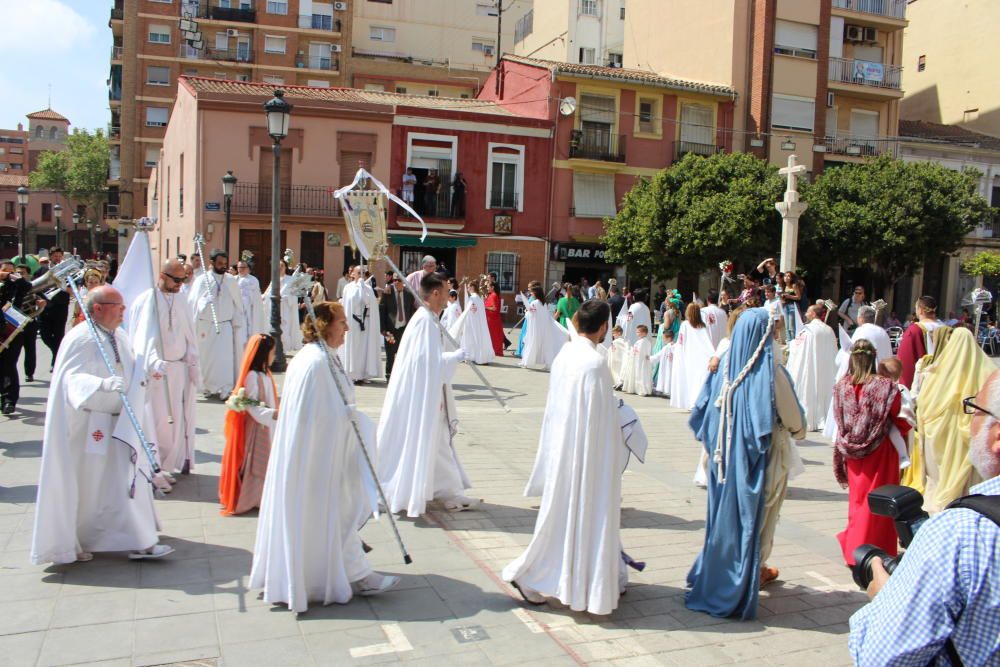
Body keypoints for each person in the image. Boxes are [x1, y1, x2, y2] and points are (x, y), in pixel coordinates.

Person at [250, 302, 399, 611]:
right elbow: (313, 416)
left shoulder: (327, 357)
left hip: (332, 455)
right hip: (318, 460)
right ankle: (357, 576)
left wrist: (352, 419)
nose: (346, 327)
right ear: (323, 324)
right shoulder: (315, 362)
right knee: (337, 516)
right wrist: (347, 418)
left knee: (340, 516)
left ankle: (353, 573)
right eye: (341, 322)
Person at [847, 369, 1000, 666]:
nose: (969, 423)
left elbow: (882, 659)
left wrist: (884, 600)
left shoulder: (963, 533)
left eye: (975, 411)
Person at [503, 300, 632, 614]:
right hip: (587, 456)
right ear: (603, 327)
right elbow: (601, 420)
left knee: (562, 515)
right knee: (584, 514)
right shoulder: (595, 362)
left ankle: (601, 574)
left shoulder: (566, 354)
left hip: (564, 450)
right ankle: (547, 578)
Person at [31, 285, 173, 564]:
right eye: (117, 306)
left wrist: (149, 372)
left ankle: (142, 541)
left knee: (128, 481)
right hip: (91, 426)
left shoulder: (119, 335)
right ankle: (79, 538)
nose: (124, 311)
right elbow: (70, 380)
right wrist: (100, 384)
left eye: (123, 306)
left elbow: (130, 367)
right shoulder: (81, 339)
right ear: (97, 308)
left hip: (121, 424)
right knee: (89, 486)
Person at [686, 308, 804, 618]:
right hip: (758, 461)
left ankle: (719, 570)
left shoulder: (724, 366)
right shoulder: (770, 373)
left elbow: (701, 412)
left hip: (721, 460)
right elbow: (793, 418)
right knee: (760, 518)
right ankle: (749, 573)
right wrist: (798, 431)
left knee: (723, 517)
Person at [377, 272, 479, 516]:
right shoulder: (424, 321)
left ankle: (451, 494)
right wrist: (451, 358)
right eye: (445, 292)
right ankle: (443, 494)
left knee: (440, 444)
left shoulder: (429, 319)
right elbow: (424, 363)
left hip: (430, 394)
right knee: (436, 442)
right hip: (422, 398)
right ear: (435, 293)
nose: (447, 297)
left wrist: (447, 359)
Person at [832, 339, 909, 566]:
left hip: (851, 451)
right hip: (880, 450)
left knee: (858, 500)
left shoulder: (841, 386)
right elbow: (898, 417)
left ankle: (855, 546)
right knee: (880, 502)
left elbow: (839, 418)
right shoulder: (886, 387)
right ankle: (875, 551)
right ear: (874, 357)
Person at [127, 258, 200, 487]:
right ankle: (153, 466)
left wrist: (191, 356)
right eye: (176, 279)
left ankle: (168, 466)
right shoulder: (147, 300)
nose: (180, 284)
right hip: (156, 373)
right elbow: (141, 338)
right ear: (162, 275)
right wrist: (153, 362)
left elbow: (189, 331)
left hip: (178, 368)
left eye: (183, 279)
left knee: (176, 420)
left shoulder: (182, 299)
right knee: (158, 420)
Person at [915, 327, 994, 511]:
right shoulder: (986, 373)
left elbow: (922, 407)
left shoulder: (935, 375)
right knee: (965, 487)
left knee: (941, 480)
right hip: (967, 446)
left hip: (938, 443)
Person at [219, 334, 278, 515]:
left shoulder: (266, 375)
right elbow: (251, 405)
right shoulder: (253, 376)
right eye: (272, 352)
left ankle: (263, 496)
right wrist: (272, 414)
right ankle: (253, 498)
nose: (274, 356)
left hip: (268, 424)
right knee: (256, 463)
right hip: (257, 428)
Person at [188, 249, 245, 399]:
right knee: (206, 358)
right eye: (220, 263)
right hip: (206, 326)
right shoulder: (202, 280)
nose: (223, 266)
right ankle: (207, 386)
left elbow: (238, 304)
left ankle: (225, 388)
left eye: (225, 264)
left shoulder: (231, 280)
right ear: (212, 263)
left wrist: (238, 324)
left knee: (225, 358)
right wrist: (204, 302)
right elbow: (193, 304)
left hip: (225, 325)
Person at [785, 305, 838, 431]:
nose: (806, 314)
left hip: (810, 369)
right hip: (825, 370)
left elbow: (797, 348)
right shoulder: (829, 330)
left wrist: (791, 344)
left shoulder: (807, 330)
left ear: (814, 314)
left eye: (808, 311)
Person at [338, 265, 382, 383]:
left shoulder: (368, 288)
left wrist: (364, 290)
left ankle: (363, 374)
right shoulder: (348, 288)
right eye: (359, 272)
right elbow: (350, 303)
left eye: (363, 272)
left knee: (364, 348)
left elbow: (370, 304)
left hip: (366, 322)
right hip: (353, 321)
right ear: (353, 274)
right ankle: (353, 374)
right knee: (354, 347)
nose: (361, 274)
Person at [0, 259, 34, 414]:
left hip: (12, 329)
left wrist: (12, 277)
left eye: (10, 270)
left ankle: (9, 400)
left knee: (9, 364)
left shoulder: (18, 284)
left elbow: (28, 286)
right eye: (4, 270)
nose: (8, 273)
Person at [670, 303, 715, 411]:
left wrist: (677, 351)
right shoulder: (702, 326)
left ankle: (691, 402)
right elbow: (707, 342)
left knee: (689, 380)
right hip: (700, 358)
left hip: (688, 357)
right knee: (697, 381)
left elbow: (680, 341)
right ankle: (696, 401)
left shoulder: (685, 325)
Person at [896, 296, 943, 388]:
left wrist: (905, 387)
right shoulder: (945, 329)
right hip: (941, 382)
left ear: (920, 310)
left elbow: (906, 361)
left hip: (921, 384)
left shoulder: (914, 330)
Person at [520, 286, 570, 371]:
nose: (530, 294)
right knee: (546, 346)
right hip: (543, 328)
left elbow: (531, 315)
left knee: (533, 343)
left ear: (535, 293)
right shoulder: (543, 303)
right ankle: (546, 363)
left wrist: (527, 312)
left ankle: (528, 362)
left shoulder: (535, 303)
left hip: (536, 328)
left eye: (531, 292)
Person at [36, 248, 70, 374]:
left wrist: (63, 286)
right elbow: (34, 287)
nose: (57, 258)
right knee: (44, 335)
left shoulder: (68, 271)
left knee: (58, 334)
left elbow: (74, 289)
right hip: (45, 306)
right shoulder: (42, 270)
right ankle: (58, 351)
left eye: (59, 256)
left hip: (61, 307)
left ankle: (55, 362)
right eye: (55, 256)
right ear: (50, 257)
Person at [262, 259, 303, 354]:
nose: (280, 268)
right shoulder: (274, 280)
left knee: (284, 330)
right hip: (274, 310)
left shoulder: (290, 279)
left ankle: (283, 350)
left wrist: (285, 298)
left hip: (285, 309)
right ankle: (275, 349)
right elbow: (267, 293)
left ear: (285, 267)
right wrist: (264, 297)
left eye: (282, 266)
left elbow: (294, 296)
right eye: (278, 266)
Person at [379, 274, 415, 380]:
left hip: (404, 329)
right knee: (390, 354)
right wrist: (383, 329)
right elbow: (382, 311)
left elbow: (411, 310)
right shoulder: (387, 293)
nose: (396, 282)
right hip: (391, 329)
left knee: (403, 353)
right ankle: (389, 376)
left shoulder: (409, 294)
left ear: (403, 281)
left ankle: (401, 376)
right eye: (394, 280)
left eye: (399, 280)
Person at [449, 279, 494, 365]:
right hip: (479, 324)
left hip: (472, 324)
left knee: (472, 339)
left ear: (473, 287)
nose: (468, 289)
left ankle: (474, 356)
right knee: (477, 339)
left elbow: (470, 311)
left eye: (469, 287)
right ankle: (478, 356)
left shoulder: (473, 298)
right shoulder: (479, 298)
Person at [236, 260, 267, 336]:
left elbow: (256, 297)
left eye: (243, 267)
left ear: (248, 268)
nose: (241, 269)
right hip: (237, 309)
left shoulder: (253, 280)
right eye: (239, 267)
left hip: (249, 309)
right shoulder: (233, 279)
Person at [620, 324, 653, 396]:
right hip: (636, 360)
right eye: (637, 332)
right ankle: (636, 388)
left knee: (641, 374)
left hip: (641, 362)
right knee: (636, 374)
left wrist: (634, 352)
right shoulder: (639, 341)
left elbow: (642, 352)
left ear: (644, 333)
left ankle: (642, 389)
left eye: (639, 332)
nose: (637, 333)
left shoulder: (645, 341)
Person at [484, 281, 505, 356]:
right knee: (494, 336)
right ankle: (494, 350)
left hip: (493, 319)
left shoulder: (494, 295)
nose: (487, 288)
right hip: (492, 318)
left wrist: (484, 307)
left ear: (492, 287)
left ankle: (495, 350)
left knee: (494, 336)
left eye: (488, 287)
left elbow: (494, 308)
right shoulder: (492, 295)